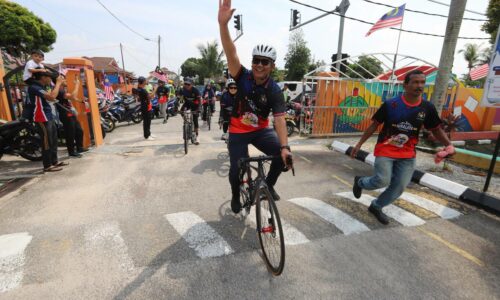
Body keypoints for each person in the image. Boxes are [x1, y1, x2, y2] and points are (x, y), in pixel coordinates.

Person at [351, 70, 455, 225]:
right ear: (405, 85)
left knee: (399, 186)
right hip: (386, 149)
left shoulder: (427, 108)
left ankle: (376, 206)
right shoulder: (391, 104)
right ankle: (360, 182)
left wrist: (448, 145)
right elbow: (374, 125)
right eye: (415, 82)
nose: (419, 86)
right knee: (382, 180)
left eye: (422, 82)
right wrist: (359, 144)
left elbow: (436, 129)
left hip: (407, 154)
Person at [219, 0, 293, 214]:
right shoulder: (242, 76)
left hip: (261, 130)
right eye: (256, 60)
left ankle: (266, 188)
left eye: (265, 61)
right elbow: (231, 52)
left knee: (283, 156)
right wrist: (223, 26)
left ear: (272, 66)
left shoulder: (275, 90)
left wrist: (285, 147)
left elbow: (279, 119)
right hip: (238, 131)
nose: (259, 64)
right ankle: (235, 194)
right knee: (235, 171)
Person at [28, 68, 68, 172]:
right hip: (41, 117)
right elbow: (51, 97)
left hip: (48, 116)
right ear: (43, 77)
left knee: (53, 140)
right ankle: (47, 165)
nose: (50, 79)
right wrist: (58, 83)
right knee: (46, 142)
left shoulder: (42, 87)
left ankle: (54, 162)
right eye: (49, 77)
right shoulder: (34, 87)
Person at [54, 75, 88, 158]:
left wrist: (82, 101)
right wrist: (77, 84)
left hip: (70, 112)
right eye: (63, 78)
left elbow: (72, 98)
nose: (65, 80)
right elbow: (72, 96)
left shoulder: (62, 89)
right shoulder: (59, 90)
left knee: (79, 130)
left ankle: (79, 147)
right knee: (70, 133)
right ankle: (71, 152)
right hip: (65, 114)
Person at [179, 78, 201, 145]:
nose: (186, 85)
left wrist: (199, 109)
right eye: (185, 84)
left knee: (195, 120)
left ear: (192, 85)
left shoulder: (195, 90)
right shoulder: (183, 89)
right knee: (181, 111)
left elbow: (200, 100)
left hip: (195, 104)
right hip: (187, 103)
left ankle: (197, 136)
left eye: (188, 84)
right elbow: (179, 97)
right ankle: (186, 122)